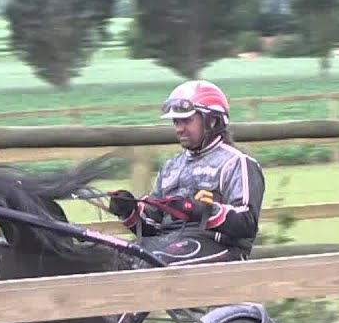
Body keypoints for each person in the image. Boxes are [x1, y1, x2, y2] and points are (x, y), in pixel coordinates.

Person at [106, 79, 265, 268]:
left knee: (147, 263)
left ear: (212, 121)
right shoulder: (172, 166)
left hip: (219, 248)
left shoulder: (237, 163)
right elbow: (153, 227)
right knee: (111, 258)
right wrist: (130, 211)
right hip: (170, 243)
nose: (179, 128)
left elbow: (247, 224)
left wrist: (201, 210)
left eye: (187, 121)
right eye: (176, 122)